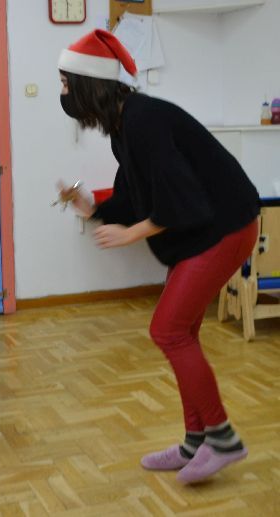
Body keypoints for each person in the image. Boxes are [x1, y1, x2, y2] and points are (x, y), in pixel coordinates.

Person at [57, 29, 260, 484]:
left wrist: (130, 233)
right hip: (205, 229)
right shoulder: (124, 128)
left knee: (167, 330)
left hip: (226, 226)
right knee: (181, 331)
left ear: (90, 85)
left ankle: (222, 439)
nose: (63, 94)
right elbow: (136, 195)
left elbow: (180, 200)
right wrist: (92, 207)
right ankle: (195, 442)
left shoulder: (144, 120)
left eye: (66, 84)